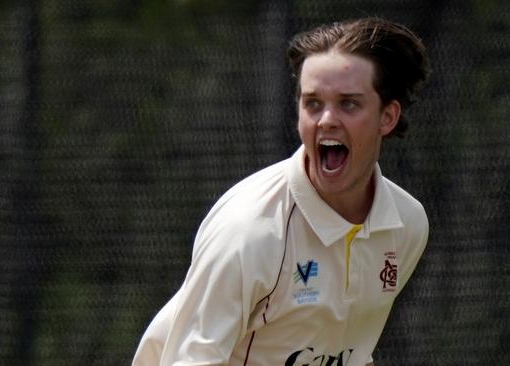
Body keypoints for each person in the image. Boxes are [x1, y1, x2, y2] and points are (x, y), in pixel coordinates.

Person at [133, 17, 430, 366]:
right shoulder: (248, 230)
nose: (326, 120)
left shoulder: (406, 226)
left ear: (388, 117)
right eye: (313, 103)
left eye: (349, 103)